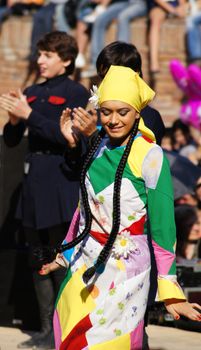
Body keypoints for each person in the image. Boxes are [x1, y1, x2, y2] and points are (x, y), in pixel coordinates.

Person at [41, 65, 201, 349]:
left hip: (127, 271)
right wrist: (64, 254)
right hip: (85, 262)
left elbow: (163, 226)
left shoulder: (150, 155)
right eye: (106, 111)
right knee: (69, 335)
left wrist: (170, 289)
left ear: (137, 113)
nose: (113, 120)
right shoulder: (97, 146)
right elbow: (84, 209)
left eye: (122, 112)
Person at [0, 31, 89, 350]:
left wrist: (30, 116)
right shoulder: (33, 92)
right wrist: (13, 120)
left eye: (48, 55)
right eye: (39, 54)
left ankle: (62, 327)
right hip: (33, 181)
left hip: (60, 182)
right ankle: (44, 327)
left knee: (60, 257)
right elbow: (12, 140)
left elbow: (70, 137)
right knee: (37, 257)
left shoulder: (75, 92)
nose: (40, 60)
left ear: (66, 60)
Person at [148, 0, 186, 75]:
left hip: (176, 6)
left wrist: (182, 7)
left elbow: (183, 3)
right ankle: (154, 63)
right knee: (155, 20)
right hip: (159, 6)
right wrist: (173, 11)